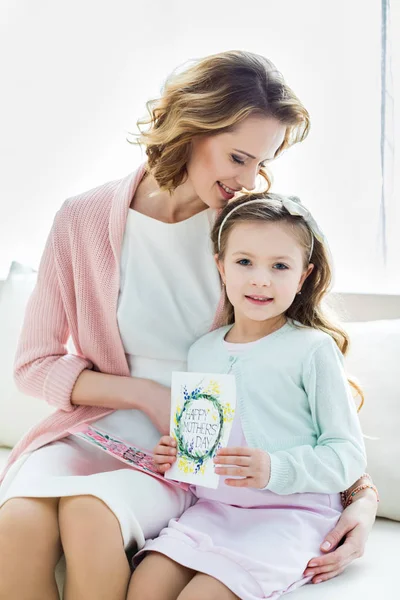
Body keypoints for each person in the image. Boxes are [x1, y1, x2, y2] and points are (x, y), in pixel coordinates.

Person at [0, 51, 377, 600]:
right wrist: (145, 395)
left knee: (92, 518)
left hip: (185, 457)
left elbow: (296, 361)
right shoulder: (81, 220)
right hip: (92, 430)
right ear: (190, 130)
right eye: (238, 157)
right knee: (15, 526)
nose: (248, 179)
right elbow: (34, 367)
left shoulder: (246, 236)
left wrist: (360, 496)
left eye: (261, 163)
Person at [129, 193, 374, 600]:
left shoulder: (312, 349)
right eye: (244, 262)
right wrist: (177, 457)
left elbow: (347, 455)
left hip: (289, 517)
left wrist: (274, 468)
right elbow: (203, 444)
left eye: (280, 266)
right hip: (212, 513)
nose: (261, 278)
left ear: (303, 276)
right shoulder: (202, 350)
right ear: (220, 267)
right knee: (144, 586)